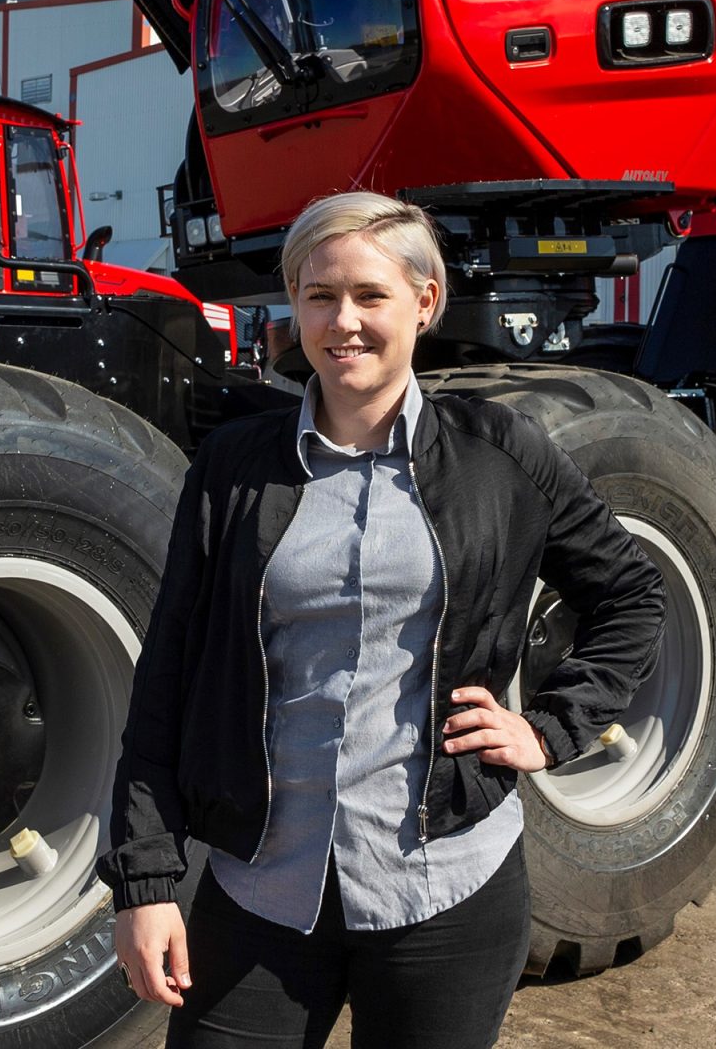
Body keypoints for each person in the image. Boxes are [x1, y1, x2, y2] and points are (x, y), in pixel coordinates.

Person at [96, 190, 668, 1048]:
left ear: (424, 302)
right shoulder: (233, 467)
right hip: (262, 886)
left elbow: (632, 594)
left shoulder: (501, 453)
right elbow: (169, 674)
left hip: (445, 889)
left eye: (371, 296)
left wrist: (551, 728)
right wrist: (144, 884)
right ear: (294, 305)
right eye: (320, 296)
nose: (343, 323)